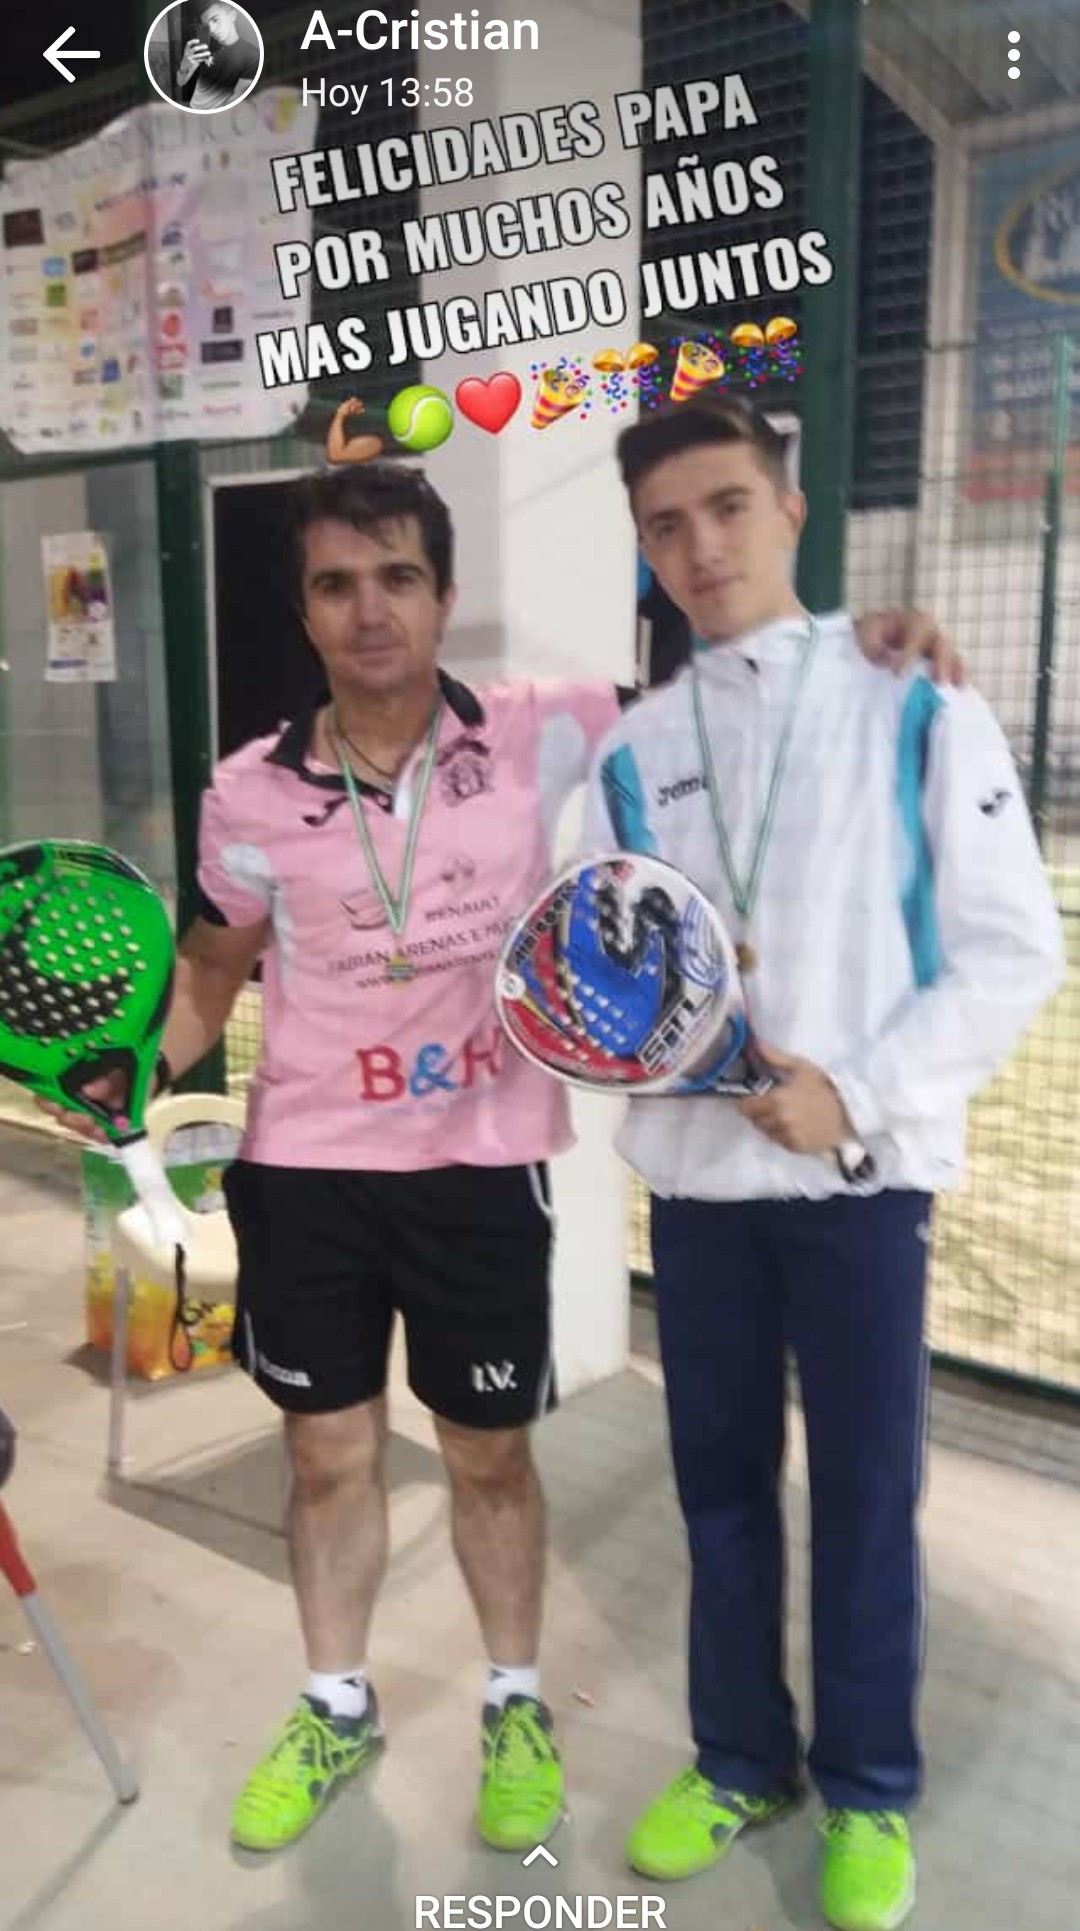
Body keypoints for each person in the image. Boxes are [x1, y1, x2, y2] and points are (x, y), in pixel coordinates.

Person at [44, 460, 960, 1859]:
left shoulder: (552, 726)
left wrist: (868, 642)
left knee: (487, 1454)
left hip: (481, 1163)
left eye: (398, 578)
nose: (370, 611)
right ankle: (335, 1701)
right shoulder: (246, 789)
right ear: (304, 607)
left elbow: (739, 695)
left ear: (444, 594)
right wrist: (141, 1070)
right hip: (307, 1166)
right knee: (327, 1450)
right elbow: (214, 968)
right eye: (337, 585)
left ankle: (514, 1701)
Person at [579, 396, 1065, 1931]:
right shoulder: (633, 749)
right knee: (719, 1491)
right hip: (700, 1196)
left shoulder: (911, 697)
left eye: (728, 505)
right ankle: (741, 1756)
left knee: (865, 1495)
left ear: (790, 509)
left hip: (862, 1189)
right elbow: (604, 970)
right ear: (644, 549)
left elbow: (1011, 947)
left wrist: (856, 1094)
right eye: (666, 525)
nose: (701, 545)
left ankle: (868, 1785)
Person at [177, 3, 259, 111]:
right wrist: (184, 66)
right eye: (207, 26)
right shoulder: (204, 47)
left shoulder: (252, 55)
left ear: (232, 16)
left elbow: (235, 98)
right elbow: (181, 81)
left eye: (215, 20)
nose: (212, 30)